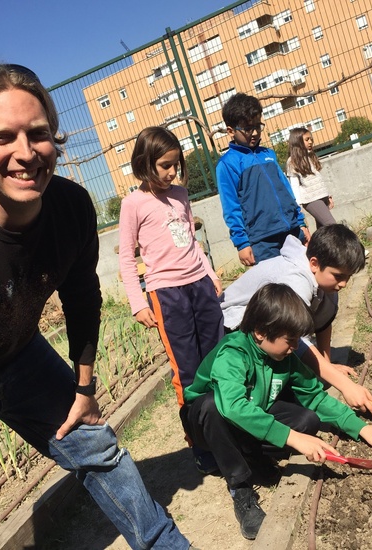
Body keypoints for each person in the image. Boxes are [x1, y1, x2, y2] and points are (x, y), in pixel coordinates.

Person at [0, 64, 193, 550]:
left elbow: (82, 296)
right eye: (1, 137)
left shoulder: (71, 207)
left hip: (22, 357)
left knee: (98, 448)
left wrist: (83, 387)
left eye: (38, 134)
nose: (25, 153)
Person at [181, 284, 372, 540]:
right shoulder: (233, 354)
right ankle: (240, 487)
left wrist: (360, 427)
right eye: (290, 341)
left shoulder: (284, 358)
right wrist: (293, 438)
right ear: (260, 332)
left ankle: (253, 456)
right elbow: (232, 407)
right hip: (208, 422)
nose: (294, 347)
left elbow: (314, 396)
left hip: (255, 408)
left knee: (307, 421)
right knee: (213, 406)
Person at [118, 126, 225, 471]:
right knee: (189, 372)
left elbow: (192, 241)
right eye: (165, 165)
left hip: (200, 286)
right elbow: (125, 257)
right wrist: (138, 301)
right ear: (145, 163)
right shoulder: (133, 204)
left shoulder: (180, 194)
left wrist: (209, 274)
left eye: (176, 165)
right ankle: (200, 441)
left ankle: (226, 426)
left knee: (217, 360)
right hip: (167, 294)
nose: (172, 172)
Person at [220, 223, 372, 415]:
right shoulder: (296, 280)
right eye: (338, 276)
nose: (343, 283)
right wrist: (345, 385)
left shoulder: (326, 281)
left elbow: (324, 321)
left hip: (275, 327)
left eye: (348, 277)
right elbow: (296, 338)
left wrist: (327, 369)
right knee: (288, 355)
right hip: (239, 323)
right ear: (314, 263)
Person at [216, 93, 310, 266]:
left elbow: (286, 191)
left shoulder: (268, 154)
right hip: (263, 241)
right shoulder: (227, 164)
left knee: (305, 278)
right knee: (278, 289)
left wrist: (300, 222)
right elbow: (231, 207)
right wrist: (242, 243)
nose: (254, 133)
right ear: (230, 131)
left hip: (292, 230)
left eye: (258, 126)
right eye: (247, 128)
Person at [286, 127, 336, 229]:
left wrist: (328, 196)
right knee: (332, 226)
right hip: (311, 200)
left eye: (311, 139)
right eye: (307, 139)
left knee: (323, 230)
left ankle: (318, 245)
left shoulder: (310, 157)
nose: (310, 142)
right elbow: (294, 185)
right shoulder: (292, 161)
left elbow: (318, 179)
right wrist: (297, 205)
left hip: (322, 196)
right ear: (297, 142)